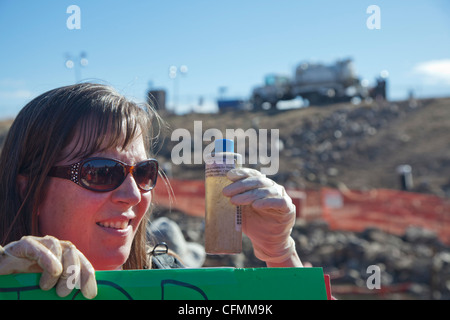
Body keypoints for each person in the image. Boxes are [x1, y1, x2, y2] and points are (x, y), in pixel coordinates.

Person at [0, 83, 301, 299]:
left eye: (144, 173)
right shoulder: (5, 274)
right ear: (31, 190)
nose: (132, 196)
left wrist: (280, 254)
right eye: (102, 172)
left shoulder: (169, 280)